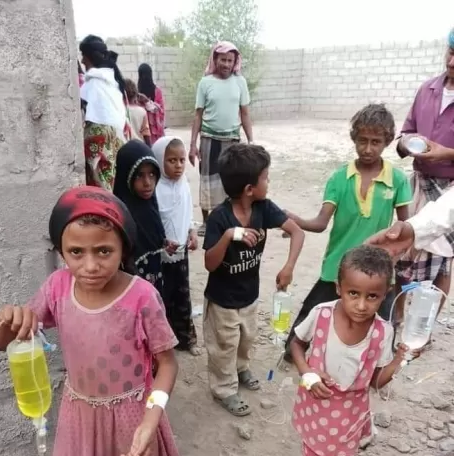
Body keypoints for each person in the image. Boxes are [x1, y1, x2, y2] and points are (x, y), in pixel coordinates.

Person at [0, 186, 185, 456]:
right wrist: (5, 321)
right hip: (78, 418)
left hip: (133, 417)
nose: (90, 266)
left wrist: (151, 418)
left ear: (123, 249)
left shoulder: (142, 298)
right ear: (61, 252)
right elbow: (1, 342)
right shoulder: (57, 287)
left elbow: (167, 364)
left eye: (104, 251)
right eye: (76, 252)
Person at [283, 104, 412, 361]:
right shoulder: (340, 178)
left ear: (387, 141)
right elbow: (321, 223)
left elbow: (405, 227)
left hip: (377, 267)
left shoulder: (397, 180)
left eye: (375, 142)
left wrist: (396, 257)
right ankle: (292, 352)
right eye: (362, 140)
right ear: (354, 138)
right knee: (313, 311)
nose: (368, 148)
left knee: (382, 318)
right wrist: (294, 219)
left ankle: (378, 363)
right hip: (337, 266)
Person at [290, 245, 419, 456]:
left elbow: (376, 382)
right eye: (353, 294)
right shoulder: (321, 314)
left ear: (386, 293)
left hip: (349, 417)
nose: (361, 305)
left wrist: (400, 359)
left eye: (372, 296)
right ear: (339, 288)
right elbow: (296, 344)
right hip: (316, 408)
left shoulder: (382, 332)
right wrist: (307, 372)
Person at [203, 143, 305, 416]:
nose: (268, 182)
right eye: (266, 178)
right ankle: (224, 389)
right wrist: (229, 236)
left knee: (246, 339)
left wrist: (289, 267)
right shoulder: (219, 218)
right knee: (224, 346)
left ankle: (240, 369)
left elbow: (297, 232)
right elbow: (210, 263)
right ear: (250, 188)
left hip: (249, 296)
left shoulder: (263, 208)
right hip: (223, 301)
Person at [393, 28, 454, 325]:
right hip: (418, 186)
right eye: (451, 53)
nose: (452, 62)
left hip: (450, 192)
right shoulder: (427, 89)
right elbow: (405, 133)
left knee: (442, 261)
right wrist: (405, 143)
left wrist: (447, 154)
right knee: (404, 251)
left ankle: (424, 326)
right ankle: (398, 316)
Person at [189, 41, 254, 237]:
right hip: (209, 138)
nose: (226, 64)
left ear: (235, 62)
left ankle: (229, 219)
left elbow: (245, 113)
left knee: (231, 180)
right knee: (207, 178)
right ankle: (206, 221)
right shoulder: (205, 83)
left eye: (230, 60)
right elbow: (198, 115)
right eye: (223, 60)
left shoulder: (240, 82)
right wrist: (192, 145)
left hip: (232, 139)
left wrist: (251, 141)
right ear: (215, 59)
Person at [153, 136, 200, 356]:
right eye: (172, 160)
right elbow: (154, 221)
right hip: (161, 254)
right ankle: (164, 342)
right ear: (159, 160)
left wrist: (192, 231)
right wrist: (162, 241)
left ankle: (186, 338)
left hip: (181, 251)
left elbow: (187, 212)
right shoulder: (155, 189)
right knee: (163, 296)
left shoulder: (183, 185)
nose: (179, 165)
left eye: (181, 160)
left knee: (183, 294)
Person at [113, 140, 177, 295]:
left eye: (152, 174)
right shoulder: (120, 214)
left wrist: (164, 243)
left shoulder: (150, 205)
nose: (148, 182)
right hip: (132, 286)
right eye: (139, 175)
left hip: (154, 279)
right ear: (125, 176)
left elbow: (152, 238)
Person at [80, 35, 130, 190]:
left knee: (99, 192)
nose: (82, 61)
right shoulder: (113, 84)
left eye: (83, 56)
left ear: (89, 57)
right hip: (118, 141)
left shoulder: (92, 84)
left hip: (98, 142)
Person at [138, 63, 165, 144]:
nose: (144, 78)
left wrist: (147, 101)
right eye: (142, 75)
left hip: (154, 133)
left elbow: (160, 111)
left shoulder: (157, 91)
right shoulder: (136, 93)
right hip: (141, 131)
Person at [125, 78, 152, 146]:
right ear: (135, 94)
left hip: (123, 146)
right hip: (139, 146)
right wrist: (149, 149)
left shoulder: (119, 110)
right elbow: (146, 134)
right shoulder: (142, 111)